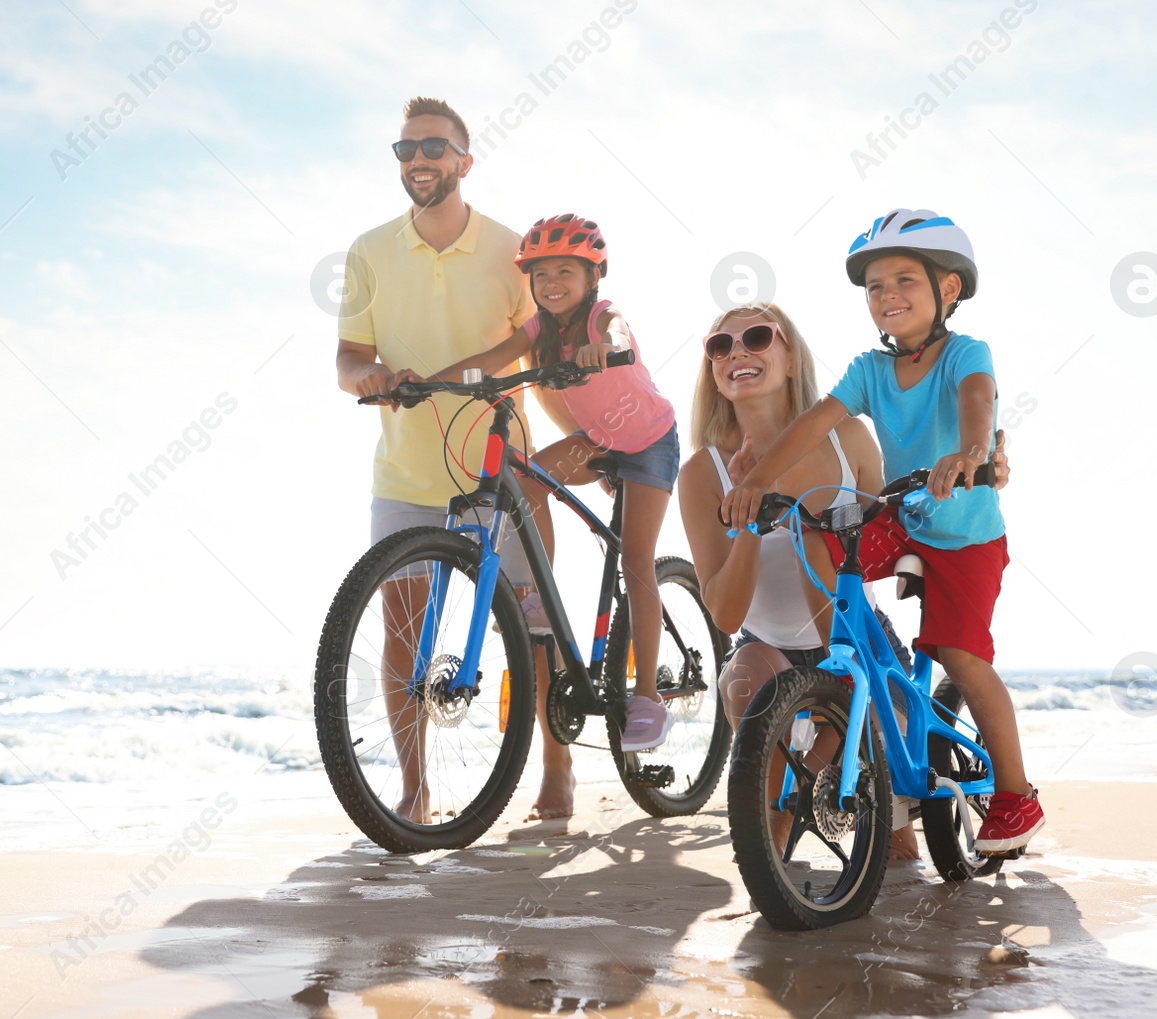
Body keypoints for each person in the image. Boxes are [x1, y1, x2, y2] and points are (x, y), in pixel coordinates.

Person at [722, 209, 1042, 853]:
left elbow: (977, 401)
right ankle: (852, 678)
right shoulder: (870, 369)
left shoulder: (965, 354)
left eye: (904, 280)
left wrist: (972, 454)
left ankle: (1015, 795)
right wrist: (760, 479)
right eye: (875, 287)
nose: (887, 296)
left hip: (963, 540)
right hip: (902, 521)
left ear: (948, 290)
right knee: (823, 542)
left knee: (960, 654)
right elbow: (816, 421)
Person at [678, 302, 1009, 861]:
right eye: (720, 345)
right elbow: (727, 615)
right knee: (741, 680)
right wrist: (752, 520)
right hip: (769, 649)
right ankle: (776, 832)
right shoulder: (701, 474)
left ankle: (862, 799)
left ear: (789, 360)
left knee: (900, 852)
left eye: (757, 337)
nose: (737, 352)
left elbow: (895, 529)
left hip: (858, 641)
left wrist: (983, 462)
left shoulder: (846, 439)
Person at [334, 97, 569, 822]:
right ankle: (416, 788)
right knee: (406, 636)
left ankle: (556, 775)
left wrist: (478, 373)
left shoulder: (510, 248)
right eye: (405, 152)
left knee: (533, 626)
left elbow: (541, 338)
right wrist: (366, 380)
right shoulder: (369, 250)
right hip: (406, 470)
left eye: (433, 149)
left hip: (501, 466)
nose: (419, 162)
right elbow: (348, 356)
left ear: (465, 161)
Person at [431, 214, 681, 752]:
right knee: (525, 478)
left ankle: (647, 699)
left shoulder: (601, 318)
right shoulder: (537, 329)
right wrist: (434, 383)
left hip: (650, 443)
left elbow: (617, 332)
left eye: (565, 271)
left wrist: (601, 348)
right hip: (598, 440)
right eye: (540, 275)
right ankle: (544, 602)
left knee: (636, 559)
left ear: (593, 276)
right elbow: (488, 363)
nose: (551, 284)